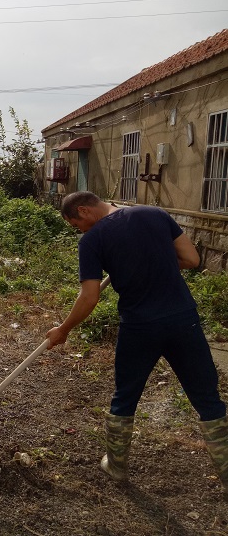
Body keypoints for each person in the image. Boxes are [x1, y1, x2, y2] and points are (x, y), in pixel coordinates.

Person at [46, 191, 227, 495]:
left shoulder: (92, 240)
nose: (80, 230)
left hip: (139, 327)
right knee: (208, 399)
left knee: (125, 397)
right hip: (183, 321)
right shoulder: (155, 214)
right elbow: (192, 259)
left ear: (84, 211)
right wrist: (157, 264)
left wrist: (63, 329)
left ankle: (116, 467)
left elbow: (89, 296)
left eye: (76, 225)